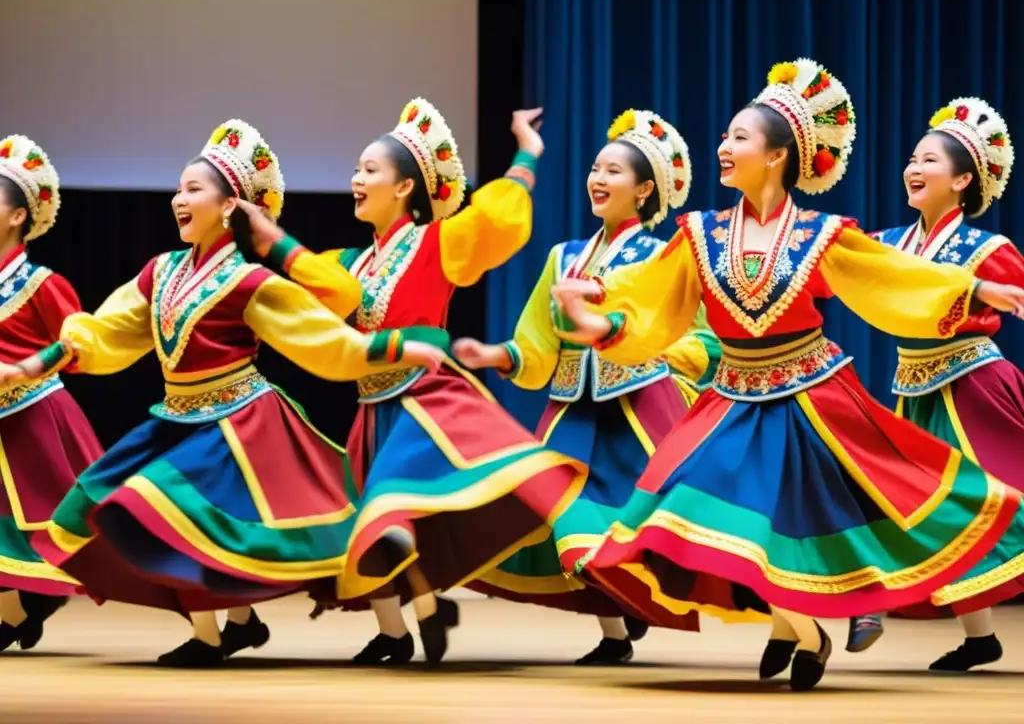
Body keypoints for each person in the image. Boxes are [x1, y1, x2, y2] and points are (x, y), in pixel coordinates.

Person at [547, 58, 1024, 691]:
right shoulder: (699, 232)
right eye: (726, 135)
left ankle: (806, 624)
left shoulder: (824, 235)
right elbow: (651, 297)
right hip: (731, 397)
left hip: (811, 396)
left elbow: (892, 277)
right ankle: (803, 626)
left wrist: (977, 288)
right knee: (691, 503)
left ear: (775, 156)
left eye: (739, 137)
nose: (724, 145)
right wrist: (598, 316)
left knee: (803, 520)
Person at [0, 119, 446, 667]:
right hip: (179, 417)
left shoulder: (248, 282)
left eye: (193, 189)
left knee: (303, 527)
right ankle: (232, 627)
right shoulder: (161, 272)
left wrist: (395, 348)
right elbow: (104, 330)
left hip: (242, 422)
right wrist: (32, 363)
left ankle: (388, 626)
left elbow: (324, 335)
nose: (177, 199)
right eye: (178, 188)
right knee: (113, 503)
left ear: (229, 205)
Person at [298, 100, 587, 666]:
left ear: (405, 186)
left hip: (424, 407)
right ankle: (403, 626)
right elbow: (302, 284)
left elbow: (497, 219)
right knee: (365, 519)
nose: (355, 180)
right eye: (356, 170)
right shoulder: (350, 264)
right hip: (371, 407)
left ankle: (427, 612)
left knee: (388, 513)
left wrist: (527, 151)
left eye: (369, 171)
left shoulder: (437, 244)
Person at [453, 109, 722, 665]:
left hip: (642, 412)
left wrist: (657, 356)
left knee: (659, 524)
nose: (597, 179)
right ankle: (615, 634)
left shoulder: (667, 256)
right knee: (564, 516)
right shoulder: (565, 257)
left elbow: (704, 340)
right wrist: (495, 355)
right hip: (572, 415)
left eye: (613, 172)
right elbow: (536, 344)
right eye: (596, 168)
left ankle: (794, 612)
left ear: (646, 189)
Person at [847, 97, 1023, 670]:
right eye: (911, 158)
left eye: (928, 159)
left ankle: (869, 603)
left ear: (964, 179)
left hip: (975, 389)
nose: (912, 168)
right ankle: (977, 637)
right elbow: (835, 259)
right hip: (916, 392)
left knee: (994, 503)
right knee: (919, 505)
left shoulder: (987, 250)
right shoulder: (890, 243)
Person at [0, 135, 104, 651]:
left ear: (18, 216)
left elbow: (81, 346)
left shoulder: (41, 282)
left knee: (38, 519)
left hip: (33, 415)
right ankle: (21, 606)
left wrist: (25, 369)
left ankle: (24, 604)